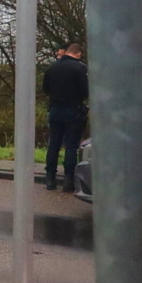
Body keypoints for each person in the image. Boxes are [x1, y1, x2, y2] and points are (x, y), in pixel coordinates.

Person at [42, 43, 89, 192]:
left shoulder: (52, 67)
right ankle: (68, 181)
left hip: (55, 110)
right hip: (73, 111)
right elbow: (85, 91)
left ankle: (50, 179)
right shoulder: (80, 68)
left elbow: (45, 89)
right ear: (78, 54)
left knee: (53, 144)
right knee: (71, 146)